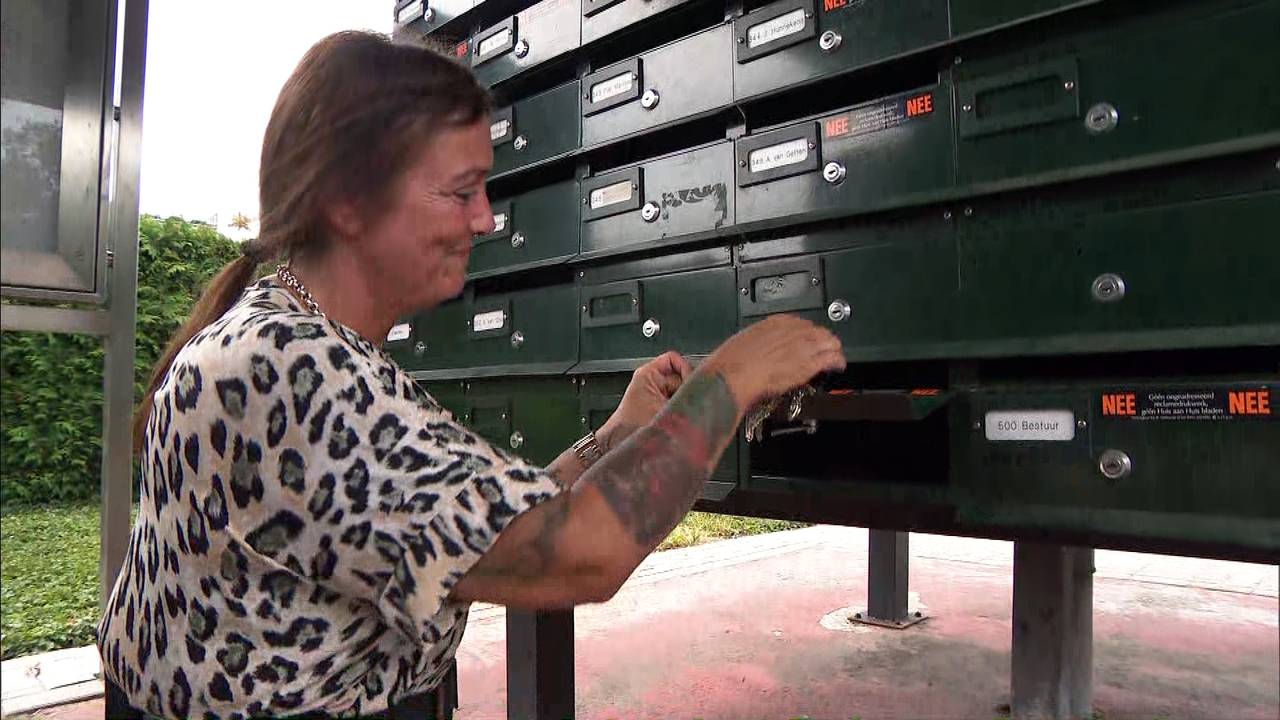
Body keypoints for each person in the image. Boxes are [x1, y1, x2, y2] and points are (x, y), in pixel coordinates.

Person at [96, 30, 846, 719]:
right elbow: (577, 556)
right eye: (460, 192)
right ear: (347, 204)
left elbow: (491, 533)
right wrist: (732, 379)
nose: (486, 220)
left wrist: (621, 430)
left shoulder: (279, 344)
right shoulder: (294, 375)